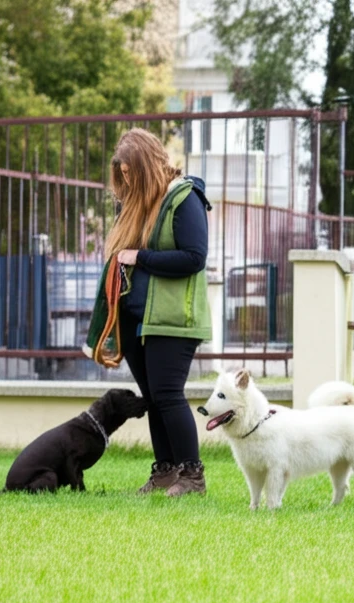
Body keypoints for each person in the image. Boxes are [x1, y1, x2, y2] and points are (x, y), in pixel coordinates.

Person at [85, 128, 212, 496]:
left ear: (146, 165)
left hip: (173, 319)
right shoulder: (138, 205)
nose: (125, 181)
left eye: (130, 173)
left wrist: (139, 257)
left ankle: (193, 476)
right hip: (138, 321)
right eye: (121, 175)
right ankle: (166, 471)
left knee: (169, 394)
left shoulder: (184, 197)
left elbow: (194, 258)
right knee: (152, 396)